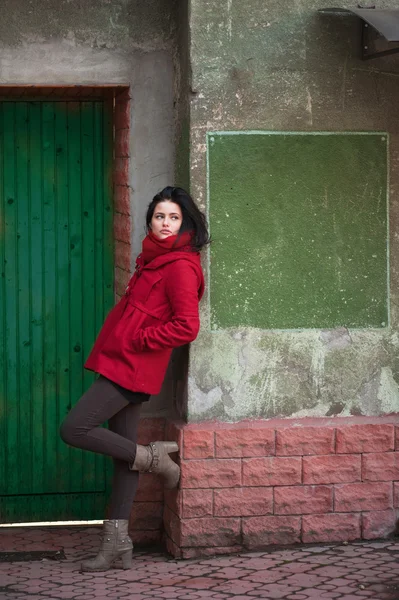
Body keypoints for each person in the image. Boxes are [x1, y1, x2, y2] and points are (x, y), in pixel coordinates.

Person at [60, 186, 208, 572]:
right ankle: (117, 547)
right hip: (119, 361)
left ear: (185, 223)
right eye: (160, 216)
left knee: (74, 428)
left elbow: (186, 326)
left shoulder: (179, 266)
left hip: (132, 367)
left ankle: (155, 457)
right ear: (150, 219)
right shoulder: (153, 257)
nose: (165, 223)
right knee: (122, 459)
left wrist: (142, 339)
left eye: (173, 217)